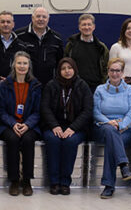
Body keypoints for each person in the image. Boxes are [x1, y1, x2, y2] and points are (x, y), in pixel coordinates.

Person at [40, 57, 93, 195]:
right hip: (53, 126)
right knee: (53, 140)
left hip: (76, 127)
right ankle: (54, 182)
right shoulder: (51, 85)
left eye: (69, 68)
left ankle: (65, 182)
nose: (67, 71)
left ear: (74, 69)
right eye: (63, 69)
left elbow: (87, 110)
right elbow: (45, 108)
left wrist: (73, 128)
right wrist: (54, 126)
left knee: (70, 141)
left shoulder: (82, 86)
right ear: (59, 71)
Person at [0, 51, 42, 196]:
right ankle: (14, 180)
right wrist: (13, 124)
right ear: (14, 65)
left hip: (30, 125)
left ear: (29, 66)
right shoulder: (5, 85)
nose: (22, 66)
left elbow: (38, 111)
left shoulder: (36, 85)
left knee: (28, 139)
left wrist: (27, 124)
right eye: (19, 63)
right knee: (13, 139)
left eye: (25, 63)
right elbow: (1, 110)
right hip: (9, 124)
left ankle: (27, 180)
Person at [92, 58, 131, 198]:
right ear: (108, 72)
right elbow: (95, 112)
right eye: (112, 70)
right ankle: (123, 165)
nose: (114, 73)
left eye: (118, 70)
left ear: (122, 72)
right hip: (102, 128)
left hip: (125, 130)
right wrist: (109, 122)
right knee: (111, 132)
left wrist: (121, 125)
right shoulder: (100, 90)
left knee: (111, 143)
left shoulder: (129, 89)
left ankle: (109, 186)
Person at [15, 6, 64, 85]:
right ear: (32, 18)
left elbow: (60, 62)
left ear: (48, 19)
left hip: (49, 84)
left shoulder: (56, 38)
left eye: (44, 17)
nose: (41, 19)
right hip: (25, 83)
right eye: (38, 16)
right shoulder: (19, 36)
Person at [64, 13, 109, 92]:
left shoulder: (101, 47)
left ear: (93, 27)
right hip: (76, 87)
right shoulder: (71, 46)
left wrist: (103, 83)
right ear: (79, 27)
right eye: (84, 25)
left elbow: (106, 67)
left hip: (96, 88)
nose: (87, 27)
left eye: (89, 24)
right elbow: (65, 65)